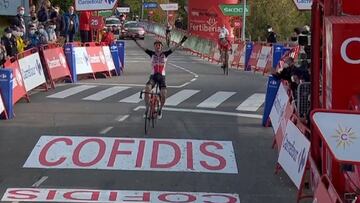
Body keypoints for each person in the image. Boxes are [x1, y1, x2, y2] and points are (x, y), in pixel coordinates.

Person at [133, 36, 188, 119]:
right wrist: (135, 40)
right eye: (156, 45)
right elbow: (142, 47)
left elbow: (175, 47)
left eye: (159, 45)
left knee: (164, 94)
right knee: (147, 88)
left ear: (161, 47)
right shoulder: (151, 54)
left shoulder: (165, 54)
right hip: (153, 76)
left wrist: (182, 41)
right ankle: (147, 109)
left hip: (162, 77)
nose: (157, 47)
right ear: (154, 47)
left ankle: (160, 110)